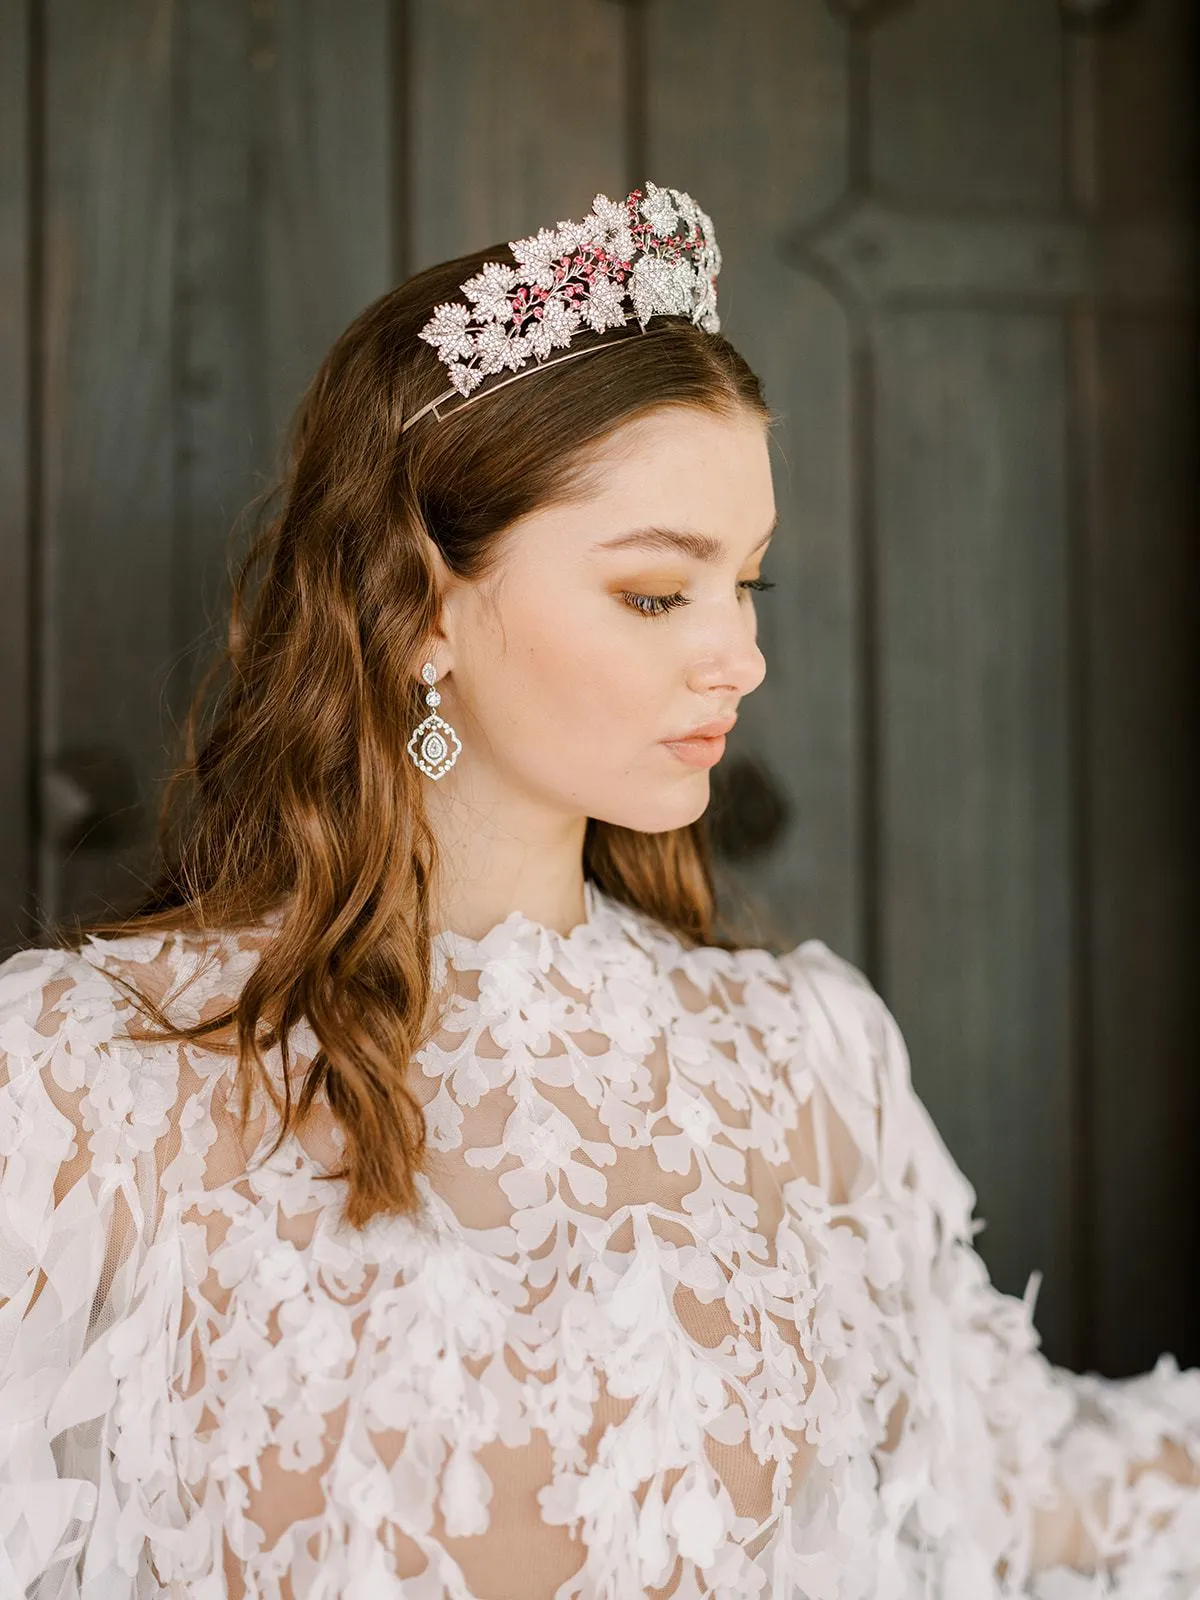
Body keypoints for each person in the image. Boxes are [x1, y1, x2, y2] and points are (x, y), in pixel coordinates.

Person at [0, 181, 1197, 1600]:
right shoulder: (83, 1080)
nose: (738, 658)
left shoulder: (800, 1062)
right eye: (656, 593)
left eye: (748, 584)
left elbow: (1008, 1485)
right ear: (425, 603)